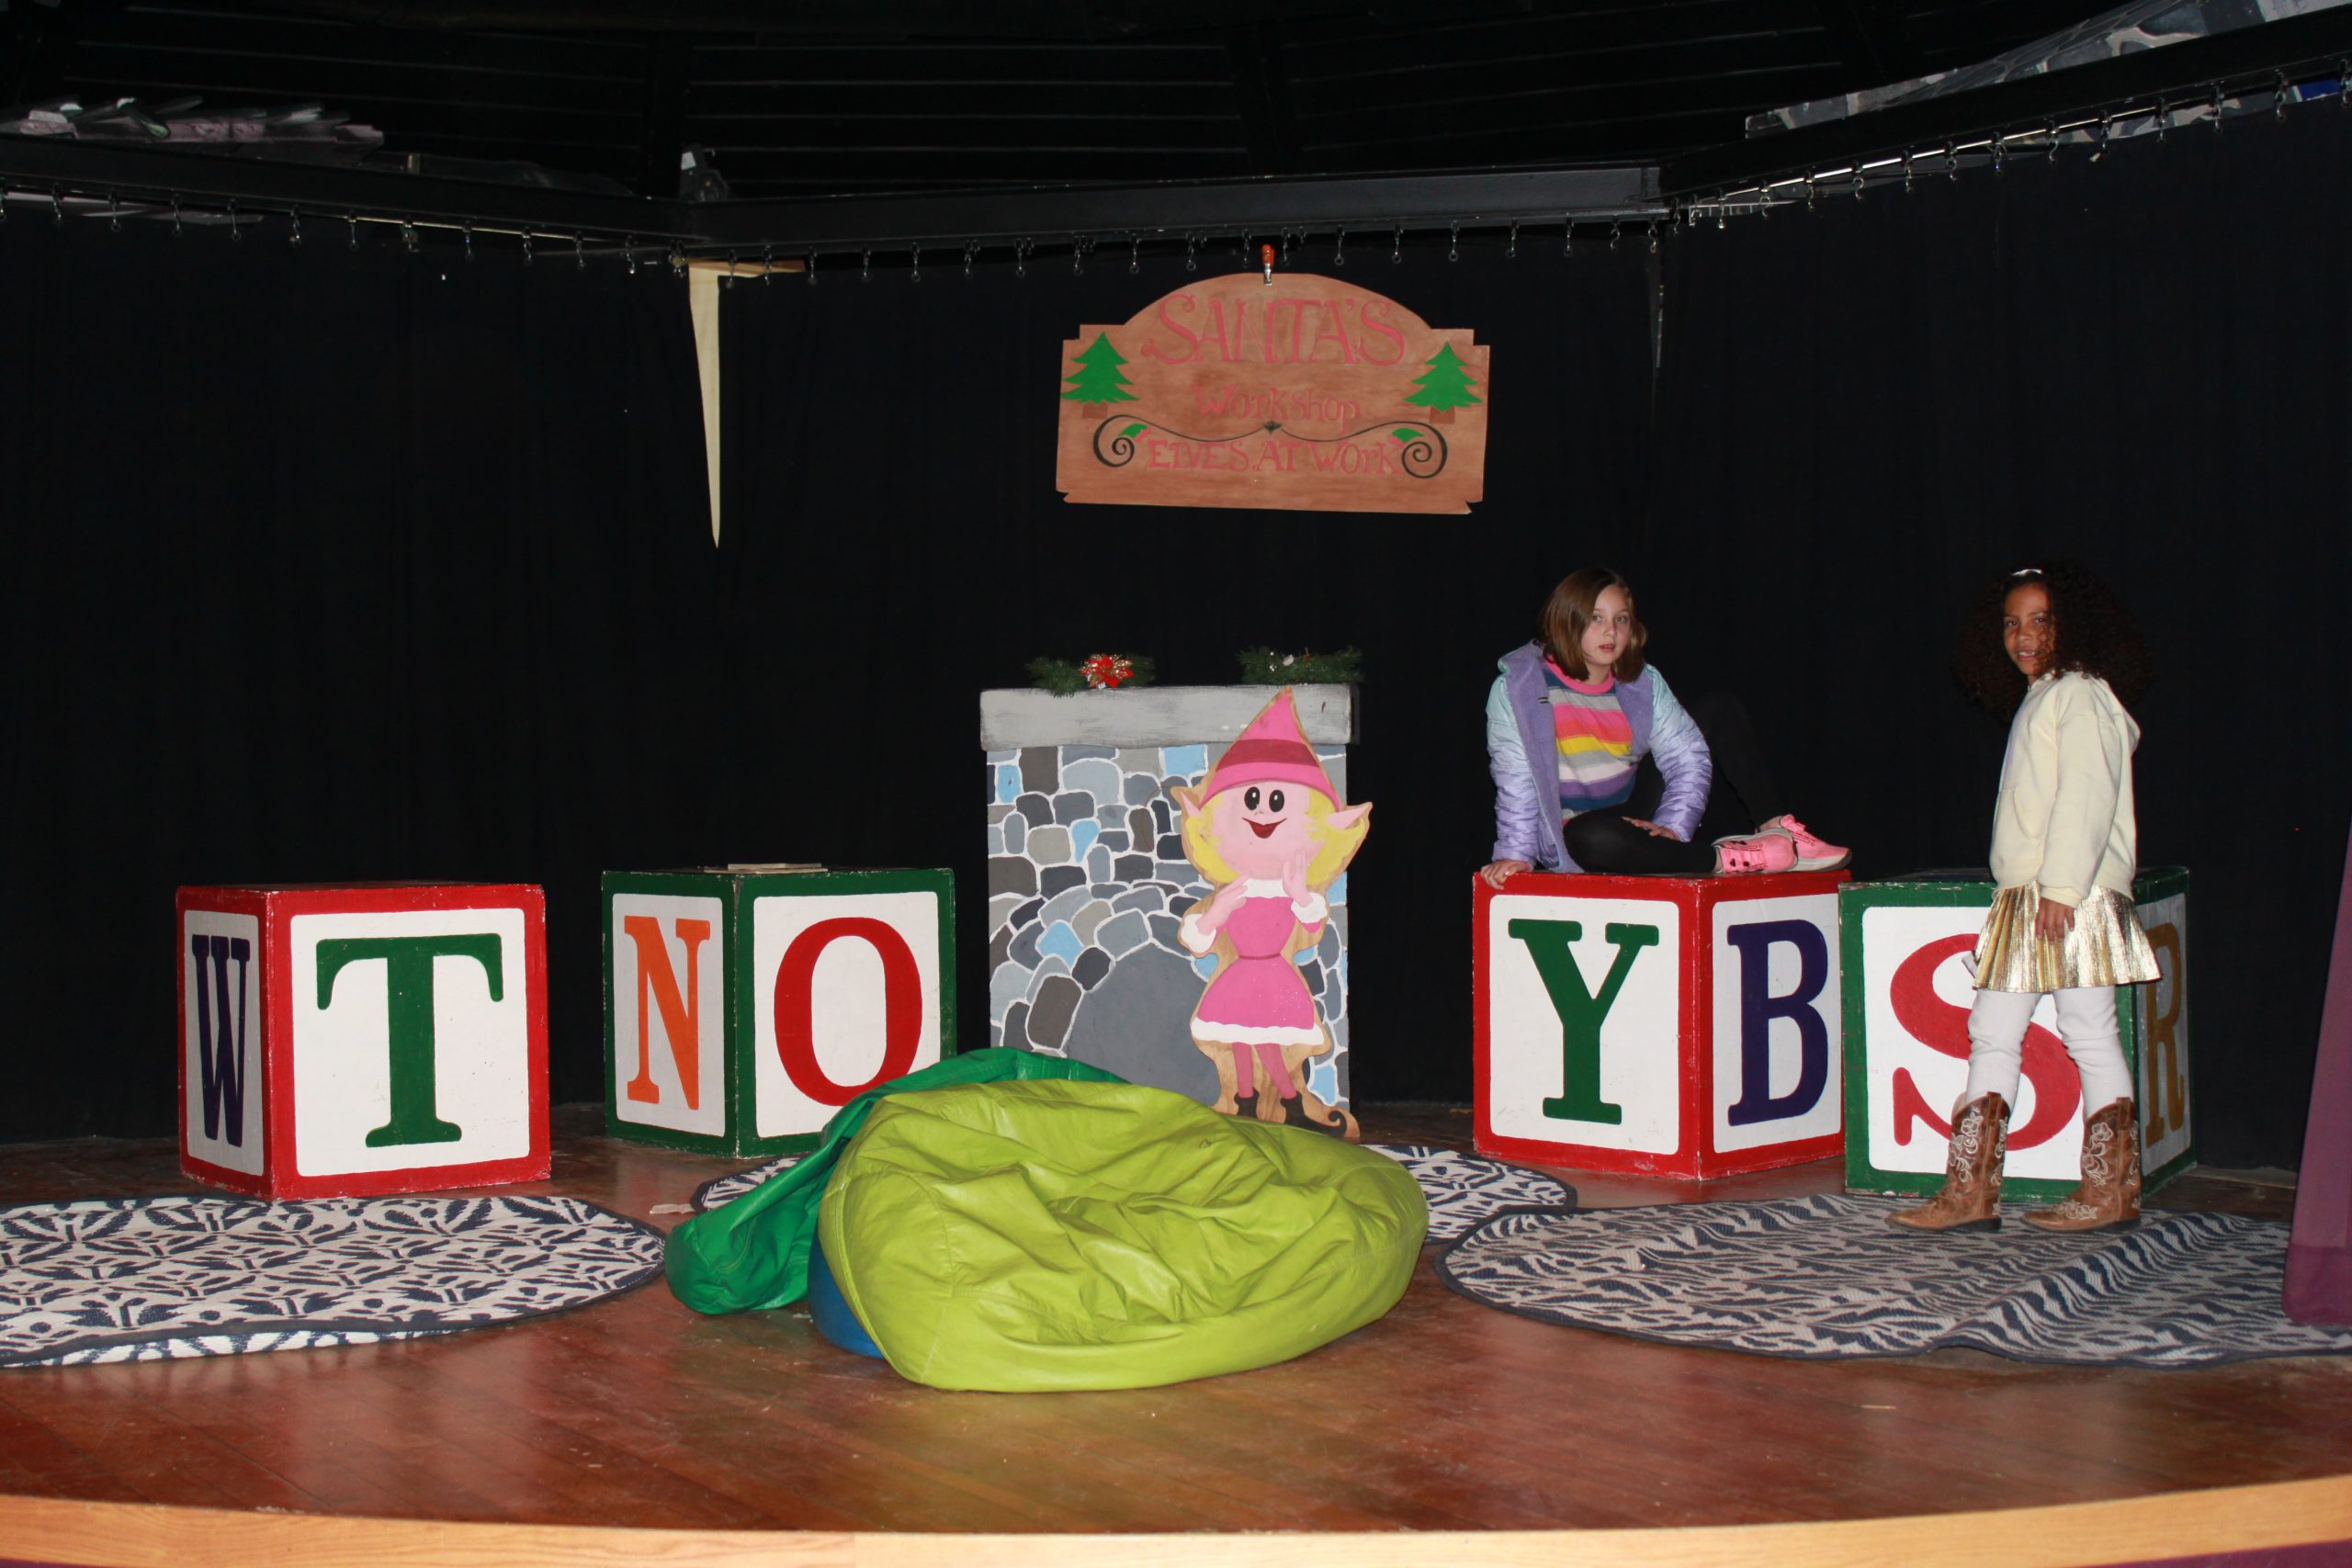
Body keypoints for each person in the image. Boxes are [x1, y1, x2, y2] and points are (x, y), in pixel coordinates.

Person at [1891, 563, 2160, 1235]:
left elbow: (2086, 797)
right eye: (2012, 623)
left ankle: (2110, 1190)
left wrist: (2063, 889)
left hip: (2068, 894)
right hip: (2031, 895)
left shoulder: (2082, 694)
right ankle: (1971, 1192)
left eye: (2041, 619)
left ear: (2073, 624)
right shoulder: (2046, 696)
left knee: (2088, 1030)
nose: (2024, 635)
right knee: (1994, 1030)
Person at [1479, 568, 1847, 888]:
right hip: (1577, 828)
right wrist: (1516, 853)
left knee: (1719, 709)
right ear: (1565, 621)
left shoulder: (1641, 681)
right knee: (1591, 837)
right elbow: (1515, 777)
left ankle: (1777, 830)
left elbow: (1687, 757)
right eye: (1595, 619)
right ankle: (1727, 859)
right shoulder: (1521, 688)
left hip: (1634, 806)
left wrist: (1672, 828)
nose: (1610, 632)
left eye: (1621, 619)